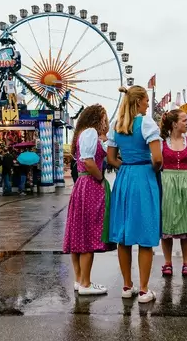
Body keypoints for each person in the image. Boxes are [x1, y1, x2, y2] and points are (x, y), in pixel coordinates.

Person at [107, 85, 162, 303]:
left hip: (124, 177)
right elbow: (157, 158)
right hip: (143, 175)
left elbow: (111, 159)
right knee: (145, 234)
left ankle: (126, 285)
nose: (148, 104)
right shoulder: (146, 123)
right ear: (138, 101)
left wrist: (126, 166)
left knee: (124, 234)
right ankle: (144, 289)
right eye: (146, 100)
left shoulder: (117, 125)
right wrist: (151, 171)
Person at [63, 104, 112, 295]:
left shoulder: (82, 134)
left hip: (81, 185)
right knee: (89, 235)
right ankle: (86, 283)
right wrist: (100, 178)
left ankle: (79, 279)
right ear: (98, 118)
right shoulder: (91, 133)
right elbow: (90, 161)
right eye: (105, 118)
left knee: (78, 232)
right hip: (91, 184)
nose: (106, 122)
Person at [159, 109, 187, 278]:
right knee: (167, 224)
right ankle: (167, 263)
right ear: (175, 123)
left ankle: (186, 263)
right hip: (167, 183)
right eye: (184, 120)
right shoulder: (162, 143)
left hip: (186, 183)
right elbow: (155, 162)